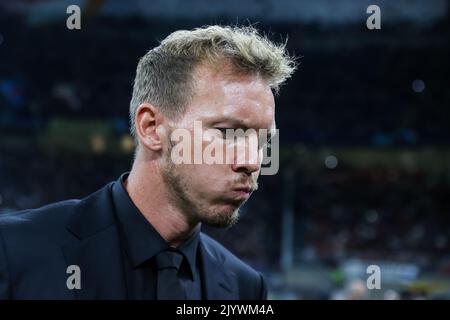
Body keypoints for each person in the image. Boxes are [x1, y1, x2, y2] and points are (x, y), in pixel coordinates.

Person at [0, 25, 296, 299]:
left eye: (262, 141)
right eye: (228, 133)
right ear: (152, 128)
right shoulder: (14, 251)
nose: (252, 162)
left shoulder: (245, 288)